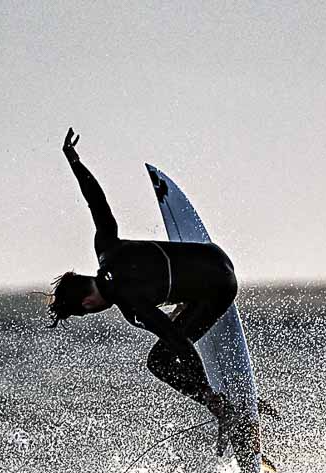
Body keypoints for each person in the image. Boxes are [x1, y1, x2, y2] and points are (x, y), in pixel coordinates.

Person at [49, 128, 238, 435]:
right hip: (216, 257)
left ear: (86, 304)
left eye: (85, 312)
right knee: (170, 304)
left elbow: (182, 347)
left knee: (159, 360)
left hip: (222, 289)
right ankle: (184, 304)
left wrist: (211, 400)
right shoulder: (106, 248)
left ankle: (226, 409)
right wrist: (74, 161)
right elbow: (97, 202)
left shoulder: (132, 306)